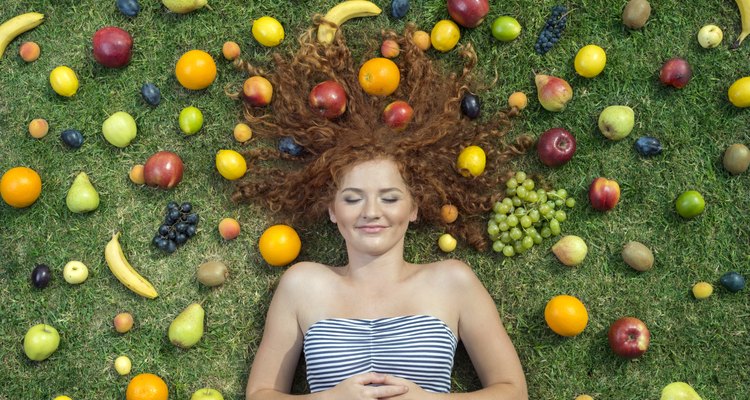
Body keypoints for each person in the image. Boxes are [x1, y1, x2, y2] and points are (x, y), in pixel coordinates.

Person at [232, 21, 531, 399]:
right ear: (332, 212)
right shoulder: (302, 285)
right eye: (353, 198)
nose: (371, 211)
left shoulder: (452, 282)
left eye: (390, 198)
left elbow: (512, 391)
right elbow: (260, 394)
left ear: (414, 209)